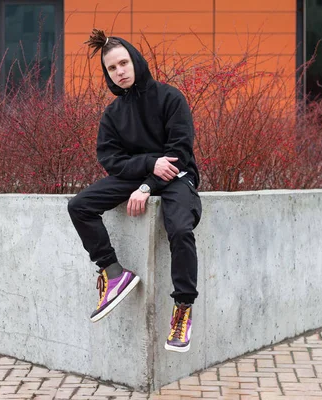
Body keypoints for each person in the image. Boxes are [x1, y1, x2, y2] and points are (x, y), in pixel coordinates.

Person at [67, 29, 202, 353]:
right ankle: (113, 273)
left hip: (177, 174)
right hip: (141, 172)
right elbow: (110, 159)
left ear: (136, 61)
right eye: (112, 68)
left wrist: (147, 185)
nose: (120, 71)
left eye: (123, 63)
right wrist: (148, 165)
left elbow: (179, 154)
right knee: (80, 206)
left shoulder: (170, 98)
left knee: (180, 228)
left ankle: (183, 307)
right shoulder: (113, 114)